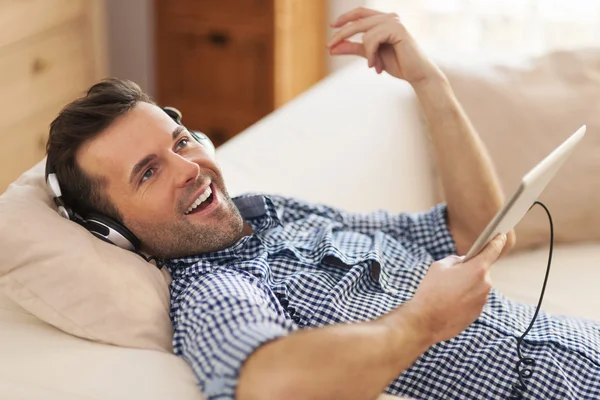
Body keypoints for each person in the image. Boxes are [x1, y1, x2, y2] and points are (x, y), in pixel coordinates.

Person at [45, 7, 599, 400]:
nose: (189, 167)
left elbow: (472, 228)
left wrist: (428, 80)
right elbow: (268, 385)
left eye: (180, 141)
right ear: (111, 230)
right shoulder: (213, 290)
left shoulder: (276, 213)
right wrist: (425, 321)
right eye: (148, 172)